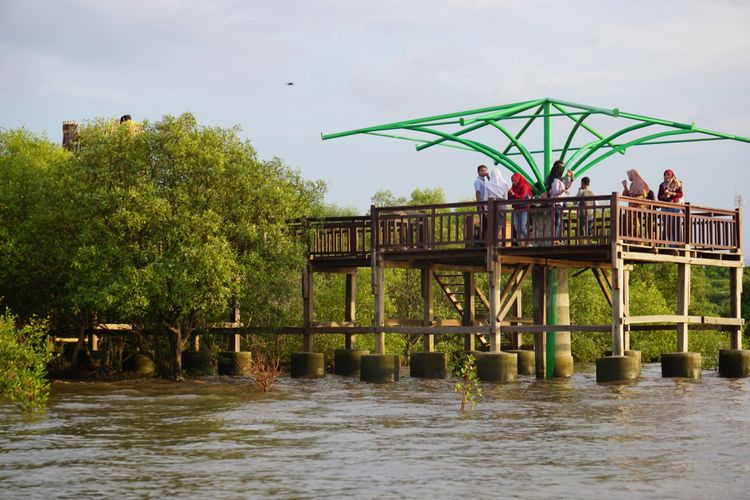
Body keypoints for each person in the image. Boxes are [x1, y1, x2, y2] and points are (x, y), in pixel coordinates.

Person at [547, 160, 574, 243]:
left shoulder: (559, 180)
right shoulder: (555, 180)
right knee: (557, 222)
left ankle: (558, 239)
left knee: (559, 222)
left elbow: (566, 185)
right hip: (556, 204)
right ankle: (555, 239)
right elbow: (554, 191)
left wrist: (570, 177)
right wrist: (562, 190)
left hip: (559, 204)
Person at [621, 169, 650, 238]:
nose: (628, 177)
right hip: (631, 207)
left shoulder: (641, 184)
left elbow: (643, 195)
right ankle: (631, 238)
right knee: (628, 222)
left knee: (636, 223)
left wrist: (634, 200)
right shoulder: (632, 185)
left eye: (629, 175)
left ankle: (638, 238)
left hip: (638, 207)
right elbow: (626, 195)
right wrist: (625, 187)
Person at [658, 169, 684, 244]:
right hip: (665, 207)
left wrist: (672, 194)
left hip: (675, 207)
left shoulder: (677, 183)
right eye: (665, 175)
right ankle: (670, 244)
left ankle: (677, 244)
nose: (666, 177)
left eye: (668, 175)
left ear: (671, 175)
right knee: (667, 226)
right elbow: (659, 197)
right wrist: (664, 196)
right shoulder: (662, 185)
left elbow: (680, 194)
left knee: (676, 225)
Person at [485, 167, 510, 243]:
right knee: (500, 223)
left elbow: (485, 197)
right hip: (501, 204)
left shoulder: (488, 184)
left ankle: (491, 240)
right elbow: (506, 197)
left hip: (491, 204)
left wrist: (486, 209)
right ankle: (498, 239)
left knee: (491, 222)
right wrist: (505, 206)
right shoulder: (505, 184)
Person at [508, 173, 533, 246]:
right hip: (516, 208)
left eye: (514, 180)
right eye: (512, 180)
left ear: (518, 179)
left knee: (522, 227)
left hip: (524, 208)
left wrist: (513, 194)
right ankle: (520, 243)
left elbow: (522, 197)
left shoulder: (524, 186)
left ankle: (528, 242)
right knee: (516, 227)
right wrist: (509, 194)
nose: (513, 182)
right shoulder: (513, 187)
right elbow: (511, 197)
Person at [473, 165, 489, 241]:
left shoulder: (485, 181)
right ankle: (480, 240)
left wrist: (489, 177)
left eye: (485, 170)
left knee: (487, 223)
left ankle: (484, 239)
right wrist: (479, 205)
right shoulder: (478, 181)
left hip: (486, 204)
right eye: (482, 171)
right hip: (482, 204)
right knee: (483, 223)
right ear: (478, 172)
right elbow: (478, 193)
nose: (484, 172)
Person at [576, 176, 595, 241]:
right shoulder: (592, 192)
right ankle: (590, 242)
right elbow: (596, 204)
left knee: (582, 229)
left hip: (583, 214)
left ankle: (581, 243)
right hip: (590, 214)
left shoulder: (581, 192)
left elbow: (574, 202)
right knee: (589, 229)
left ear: (583, 183)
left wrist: (578, 191)